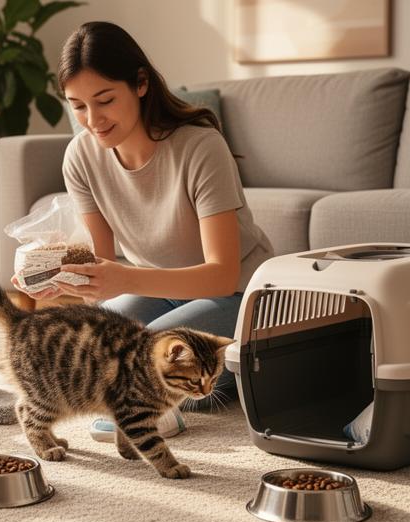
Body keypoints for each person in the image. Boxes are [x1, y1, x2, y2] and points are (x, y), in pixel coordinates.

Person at [14, 21, 272, 416]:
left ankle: (244, 364)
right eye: (78, 106)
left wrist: (126, 278)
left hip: (236, 293)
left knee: (146, 367)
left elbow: (221, 273)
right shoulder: (80, 157)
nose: (93, 119)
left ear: (140, 84)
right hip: (156, 287)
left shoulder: (200, 147)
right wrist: (56, 281)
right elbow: (100, 274)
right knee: (90, 354)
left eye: (105, 100)